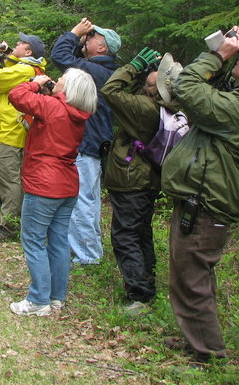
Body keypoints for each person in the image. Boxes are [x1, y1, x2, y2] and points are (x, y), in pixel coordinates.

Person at [161, 26, 239, 366]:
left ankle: (209, 354)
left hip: (206, 204)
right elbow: (203, 89)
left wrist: (219, 55)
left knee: (193, 277)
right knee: (187, 274)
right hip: (200, 199)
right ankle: (196, 339)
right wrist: (225, 46)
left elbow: (189, 87)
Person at [7, 69, 97, 316]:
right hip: (67, 184)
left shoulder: (51, 108)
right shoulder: (76, 114)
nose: (57, 80)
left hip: (44, 183)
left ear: (69, 90)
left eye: (62, 80)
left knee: (33, 240)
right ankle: (56, 296)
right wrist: (48, 92)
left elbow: (15, 95)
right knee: (58, 241)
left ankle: (38, 300)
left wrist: (34, 84)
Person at [99, 48, 167, 316]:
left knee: (125, 235)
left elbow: (111, 90)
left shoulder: (145, 108)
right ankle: (147, 283)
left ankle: (139, 294)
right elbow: (134, 94)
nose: (149, 77)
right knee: (141, 232)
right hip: (148, 178)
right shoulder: (163, 104)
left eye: (153, 78)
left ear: (155, 89)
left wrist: (134, 66)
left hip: (132, 179)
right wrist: (145, 75)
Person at [51, 18, 120, 264]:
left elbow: (59, 55)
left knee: (82, 200)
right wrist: (80, 41)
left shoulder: (95, 71)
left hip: (88, 142)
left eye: (91, 37)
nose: (86, 38)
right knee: (86, 198)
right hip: (94, 141)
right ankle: (84, 250)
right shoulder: (104, 70)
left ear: (102, 48)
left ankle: (88, 255)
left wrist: (73, 33)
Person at [0, 33, 48, 242]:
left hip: (9, 132)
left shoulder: (25, 70)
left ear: (29, 52)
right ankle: (13, 219)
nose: (16, 44)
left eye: (21, 43)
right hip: (6, 129)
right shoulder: (23, 66)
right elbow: (8, 69)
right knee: (9, 177)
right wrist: (6, 52)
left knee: (10, 180)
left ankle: (8, 226)